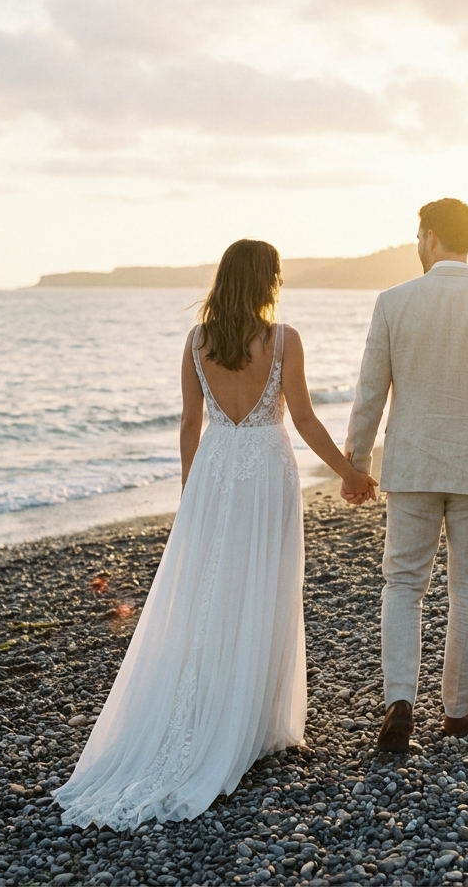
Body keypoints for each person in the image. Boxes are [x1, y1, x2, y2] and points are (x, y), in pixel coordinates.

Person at [54, 239, 377, 828]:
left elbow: (189, 421)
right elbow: (302, 418)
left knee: (210, 593)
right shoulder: (282, 339)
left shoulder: (197, 340)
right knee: (264, 587)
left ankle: (212, 705)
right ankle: (246, 721)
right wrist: (351, 472)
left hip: (214, 470)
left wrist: (190, 492)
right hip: (265, 472)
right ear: (266, 282)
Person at [344, 198, 468, 752]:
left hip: (412, 465)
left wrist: (357, 465)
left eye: (417, 235)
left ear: (429, 237)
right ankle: (456, 710)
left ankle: (399, 701)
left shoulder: (394, 302)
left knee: (403, 583)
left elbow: (369, 394)